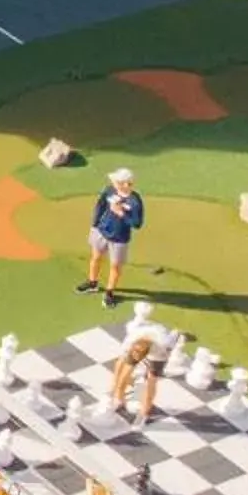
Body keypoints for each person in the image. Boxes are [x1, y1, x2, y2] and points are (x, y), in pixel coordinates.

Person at [78, 167, 145, 306]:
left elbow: (137, 224)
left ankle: (109, 292)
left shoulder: (134, 201)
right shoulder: (109, 190)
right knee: (95, 257)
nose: (114, 182)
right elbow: (100, 205)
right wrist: (95, 224)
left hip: (120, 238)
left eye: (118, 181)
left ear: (126, 184)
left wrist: (121, 213)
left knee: (115, 267)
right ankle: (92, 283)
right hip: (102, 231)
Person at [105, 326, 169, 423]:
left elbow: (151, 381)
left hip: (159, 346)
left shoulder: (160, 349)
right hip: (142, 337)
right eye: (135, 354)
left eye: (138, 357)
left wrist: (144, 410)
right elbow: (124, 368)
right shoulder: (131, 340)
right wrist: (118, 395)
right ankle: (118, 397)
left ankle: (144, 413)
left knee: (151, 379)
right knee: (124, 364)